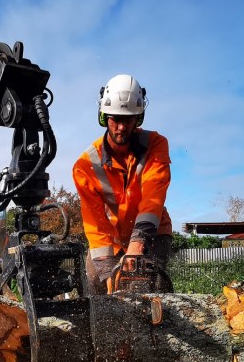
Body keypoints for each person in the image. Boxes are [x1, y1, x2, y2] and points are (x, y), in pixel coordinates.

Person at [72, 73, 173, 293]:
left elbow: (153, 197)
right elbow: (95, 222)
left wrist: (139, 242)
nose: (121, 127)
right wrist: (107, 268)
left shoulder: (155, 145)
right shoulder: (86, 165)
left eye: (127, 119)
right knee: (95, 280)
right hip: (113, 236)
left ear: (138, 118)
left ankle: (158, 323)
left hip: (154, 233)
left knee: (141, 285)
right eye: (115, 119)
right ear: (103, 117)